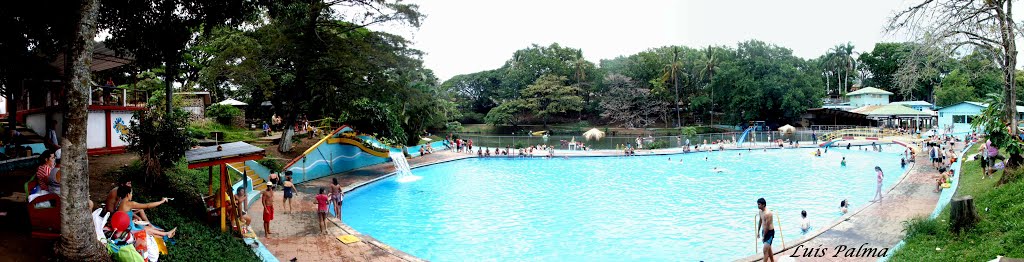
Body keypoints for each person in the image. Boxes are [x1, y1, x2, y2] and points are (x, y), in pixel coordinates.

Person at [756, 198, 775, 262]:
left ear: (763, 205)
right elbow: (760, 221)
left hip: (769, 233)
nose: (758, 205)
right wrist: (758, 231)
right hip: (764, 231)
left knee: (765, 250)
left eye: (759, 204)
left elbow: (767, 226)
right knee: (768, 249)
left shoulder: (768, 213)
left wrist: (764, 236)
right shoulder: (760, 212)